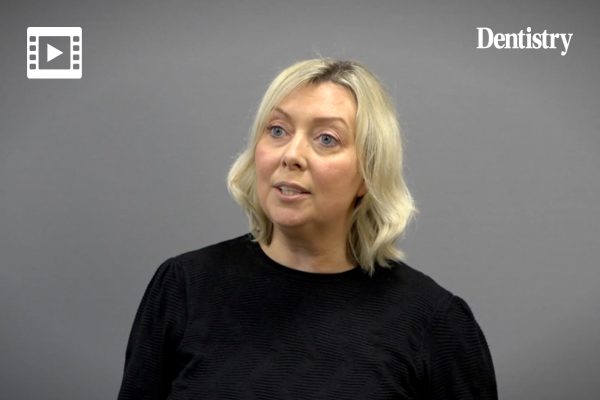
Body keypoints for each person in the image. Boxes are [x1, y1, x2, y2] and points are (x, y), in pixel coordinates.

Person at [117, 58, 498, 399]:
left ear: (368, 174)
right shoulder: (183, 286)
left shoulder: (435, 322)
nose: (291, 155)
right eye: (277, 130)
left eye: (326, 139)